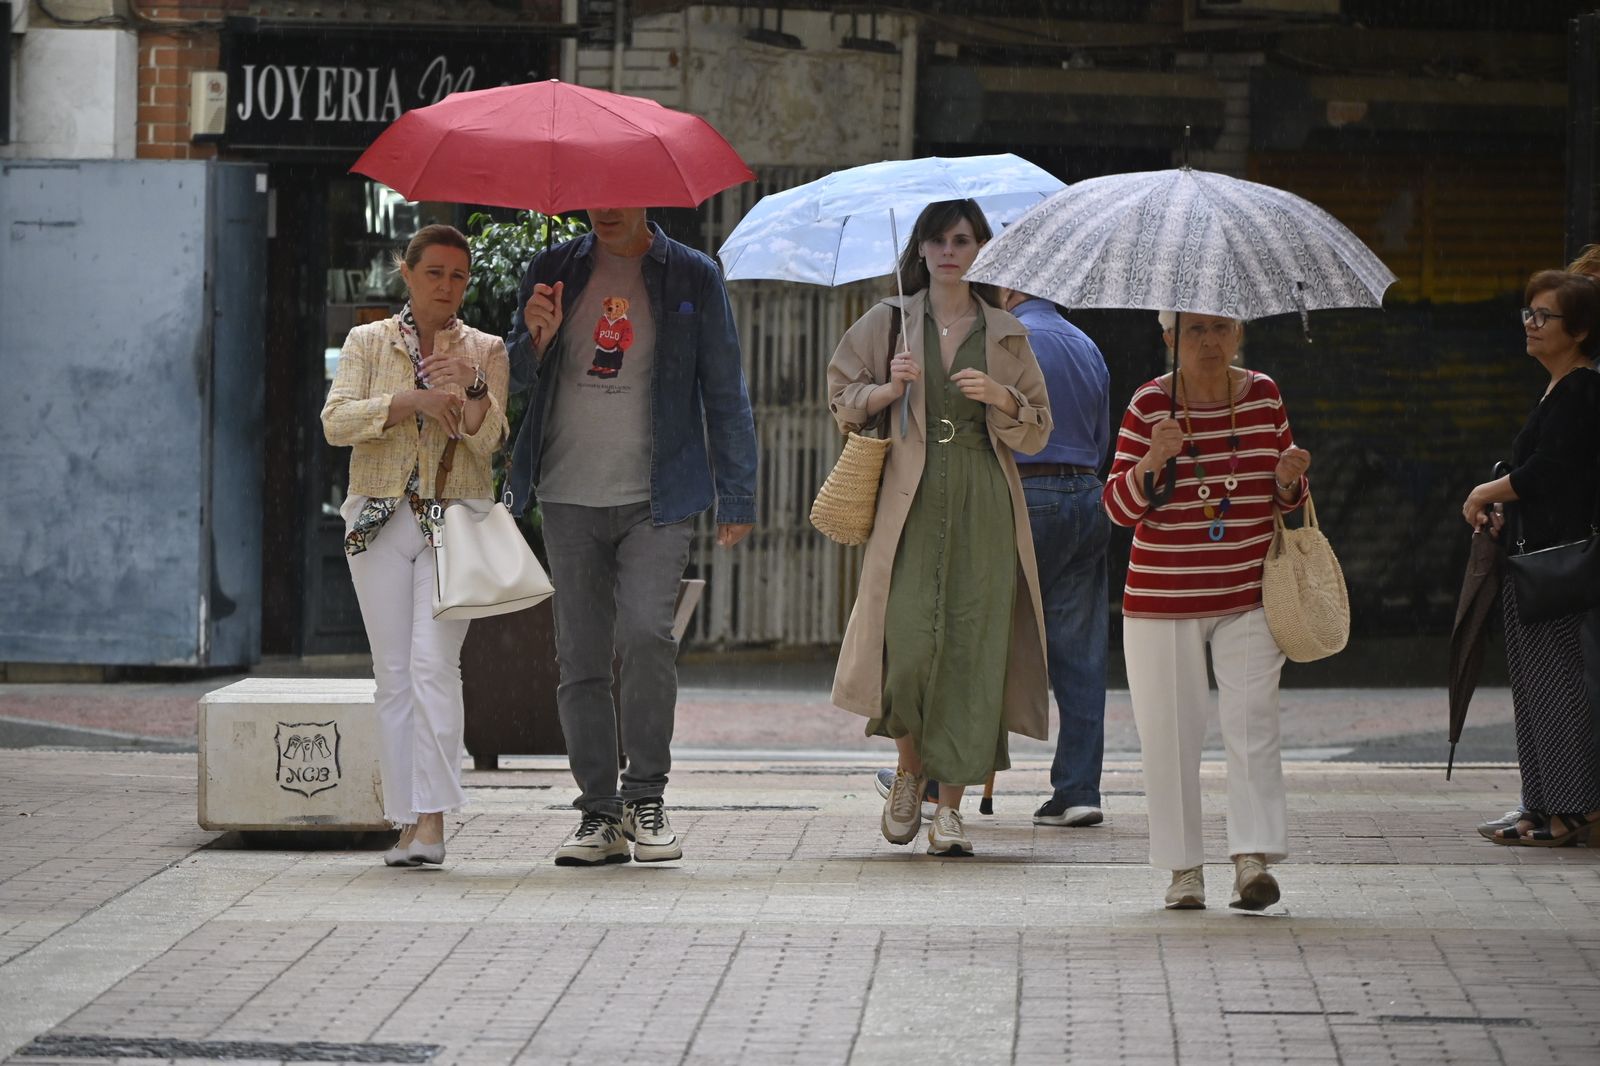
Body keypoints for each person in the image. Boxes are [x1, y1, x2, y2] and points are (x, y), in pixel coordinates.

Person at [505, 207, 758, 867]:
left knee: (648, 635)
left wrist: (737, 493)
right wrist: (534, 339)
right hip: (567, 493)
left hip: (659, 494)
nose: (606, 206)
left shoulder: (693, 276)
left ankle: (646, 794)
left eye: (620, 191)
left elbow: (724, 388)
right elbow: (512, 378)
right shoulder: (553, 268)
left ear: (647, 193)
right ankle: (599, 812)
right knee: (581, 657)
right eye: (595, 192)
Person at [829, 199, 1053, 857]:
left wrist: (1001, 397)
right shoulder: (888, 320)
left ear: (982, 249)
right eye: (937, 240)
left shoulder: (1007, 333)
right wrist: (887, 391)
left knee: (972, 651)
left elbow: (1039, 429)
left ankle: (950, 810)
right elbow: (841, 398)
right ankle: (909, 771)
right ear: (921, 249)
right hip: (911, 499)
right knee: (905, 642)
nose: (949, 251)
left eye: (962, 240)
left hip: (985, 497)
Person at [1103, 311, 1311, 911]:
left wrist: (1288, 480)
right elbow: (1116, 508)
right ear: (1169, 338)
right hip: (1163, 598)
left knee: (1253, 725)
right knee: (1169, 736)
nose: (1210, 342)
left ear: (1238, 334)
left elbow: (1286, 500)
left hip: (1249, 592)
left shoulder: (1264, 395)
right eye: (1195, 330)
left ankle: (1252, 859)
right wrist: (1152, 460)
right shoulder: (1149, 404)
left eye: (1221, 328)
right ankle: (1184, 869)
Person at [321, 224, 510, 868]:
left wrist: (474, 387)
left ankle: (432, 821)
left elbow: (489, 442)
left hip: (454, 522)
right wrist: (411, 402)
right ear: (406, 272)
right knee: (393, 675)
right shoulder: (367, 341)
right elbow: (335, 421)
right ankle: (405, 820)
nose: (447, 286)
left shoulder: (485, 348)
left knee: (434, 665)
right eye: (435, 273)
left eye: (459, 276)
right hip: (377, 517)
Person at [1461, 270, 1600, 847]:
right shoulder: (1558, 387)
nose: (1531, 324)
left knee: (1557, 687)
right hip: (1532, 557)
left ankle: (1576, 811)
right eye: (1529, 313)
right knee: (1534, 685)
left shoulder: (1584, 390)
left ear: (1580, 330)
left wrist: (1484, 492)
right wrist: (1503, 505)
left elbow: (1550, 471)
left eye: (1545, 316)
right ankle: (1540, 805)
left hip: (1558, 566)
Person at [998, 287, 1113, 829]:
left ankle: (932, 781)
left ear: (1010, 285)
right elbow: (1101, 437)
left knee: (982, 636)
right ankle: (1078, 789)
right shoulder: (1086, 344)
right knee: (1081, 653)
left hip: (1026, 491)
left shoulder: (1009, 340)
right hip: (1088, 494)